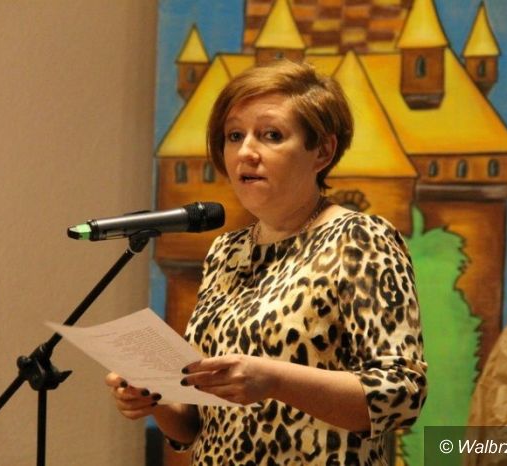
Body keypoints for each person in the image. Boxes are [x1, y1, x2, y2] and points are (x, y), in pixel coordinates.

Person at [105, 60, 427, 465]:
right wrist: (155, 399)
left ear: (322, 151)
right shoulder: (226, 252)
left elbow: (401, 395)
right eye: (234, 136)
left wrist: (274, 380)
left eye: (271, 135)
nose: (246, 152)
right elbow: (199, 424)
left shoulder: (361, 239)